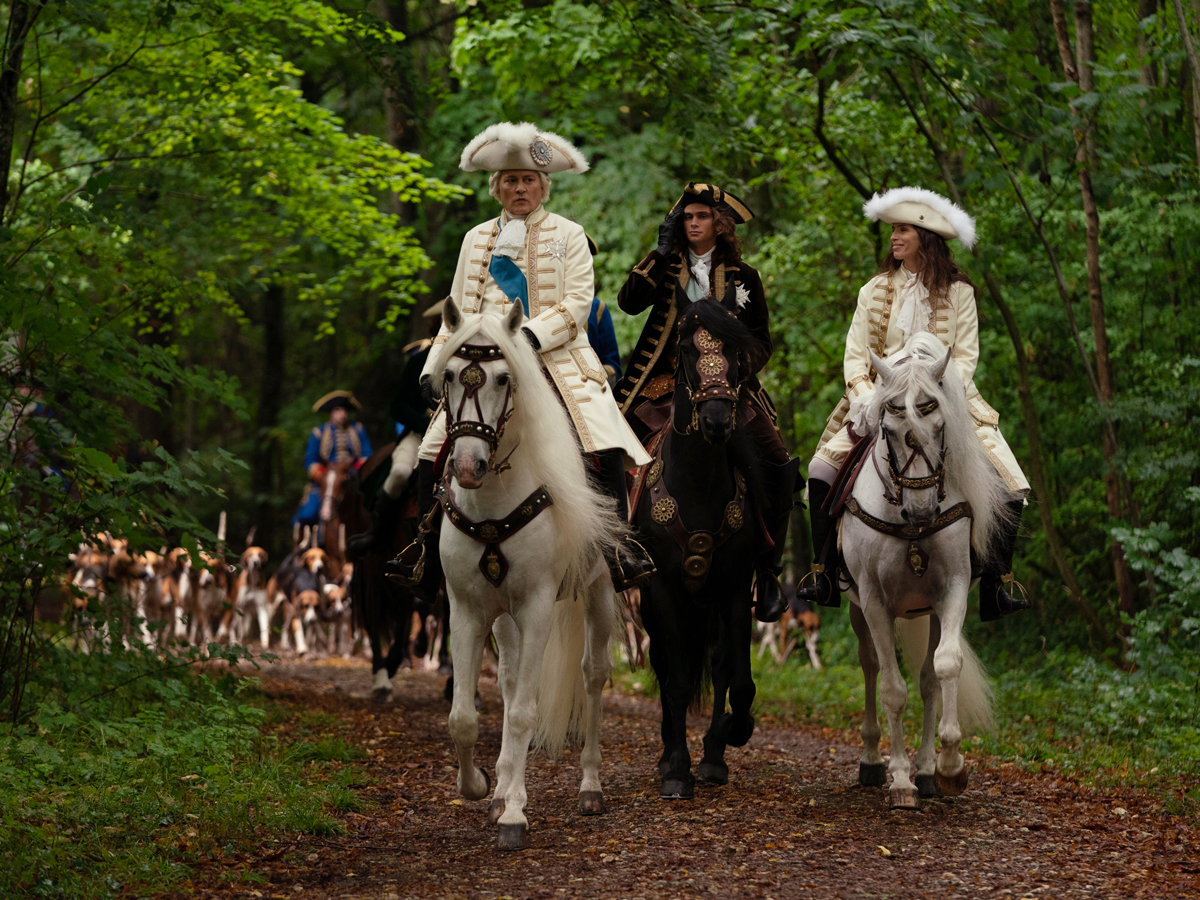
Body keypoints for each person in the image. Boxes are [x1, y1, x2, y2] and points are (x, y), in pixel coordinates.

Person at [389, 121, 654, 597]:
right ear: (497, 187)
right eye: (510, 180)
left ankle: (618, 548)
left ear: (543, 185)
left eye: (528, 180)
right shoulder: (474, 239)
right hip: (481, 363)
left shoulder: (570, 235)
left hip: (556, 357)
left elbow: (576, 306)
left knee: (604, 444)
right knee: (431, 454)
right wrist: (432, 369)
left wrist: (528, 338)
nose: (520, 188)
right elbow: (457, 312)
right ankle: (427, 551)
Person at [797, 187, 1030, 622]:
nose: (894, 238)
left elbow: (964, 358)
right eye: (893, 230)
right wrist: (867, 398)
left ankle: (999, 581)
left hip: (950, 406)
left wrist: (939, 402)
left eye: (902, 229)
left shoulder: (960, 292)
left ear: (925, 236)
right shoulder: (874, 290)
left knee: (1009, 483)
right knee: (819, 470)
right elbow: (855, 356)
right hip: (878, 404)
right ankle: (824, 571)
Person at [615, 182, 799, 624]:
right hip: (659, 388)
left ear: (719, 222)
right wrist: (658, 255)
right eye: (687, 217)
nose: (694, 223)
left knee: (779, 461)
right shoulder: (663, 268)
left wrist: (730, 374)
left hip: (728, 390)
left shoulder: (744, 277)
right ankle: (617, 555)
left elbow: (762, 342)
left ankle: (768, 573)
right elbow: (628, 303)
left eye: (702, 216)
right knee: (605, 454)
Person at [292, 391, 372, 527]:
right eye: (337, 410)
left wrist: (355, 470)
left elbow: (367, 455)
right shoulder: (319, 432)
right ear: (331, 412)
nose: (342, 413)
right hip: (326, 480)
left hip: (352, 479)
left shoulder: (358, 429)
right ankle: (306, 543)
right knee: (308, 514)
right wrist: (324, 475)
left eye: (344, 410)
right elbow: (310, 460)